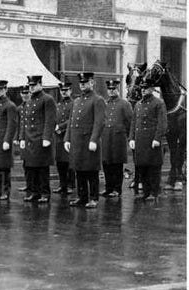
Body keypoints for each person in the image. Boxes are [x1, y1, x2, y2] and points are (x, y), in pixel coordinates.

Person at [65, 72, 105, 209]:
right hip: (77, 141)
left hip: (89, 141)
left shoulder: (97, 100)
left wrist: (94, 139)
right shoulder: (76, 101)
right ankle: (82, 197)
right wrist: (67, 139)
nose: (82, 85)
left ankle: (94, 198)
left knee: (91, 171)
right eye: (81, 83)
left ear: (92, 83)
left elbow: (99, 122)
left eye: (85, 82)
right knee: (79, 170)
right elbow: (71, 121)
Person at [19, 75, 56, 203]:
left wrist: (46, 137)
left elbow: (50, 120)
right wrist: (22, 138)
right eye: (30, 85)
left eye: (33, 85)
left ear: (40, 84)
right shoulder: (29, 101)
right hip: (30, 139)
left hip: (40, 139)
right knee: (31, 168)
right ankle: (34, 192)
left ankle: (45, 193)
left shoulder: (47, 99)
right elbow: (25, 122)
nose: (31, 88)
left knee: (42, 168)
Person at [129, 79, 167, 201]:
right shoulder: (138, 105)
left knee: (153, 168)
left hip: (152, 141)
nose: (143, 90)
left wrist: (157, 138)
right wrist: (132, 138)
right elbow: (133, 123)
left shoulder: (158, 103)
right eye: (142, 88)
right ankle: (145, 192)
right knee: (142, 167)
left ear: (151, 89)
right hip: (140, 141)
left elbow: (162, 123)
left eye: (146, 88)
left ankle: (154, 193)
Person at [101, 79, 133, 198]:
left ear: (118, 89)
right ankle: (108, 188)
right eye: (109, 89)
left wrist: (131, 138)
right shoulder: (105, 103)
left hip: (118, 139)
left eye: (113, 89)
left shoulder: (125, 104)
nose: (111, 91)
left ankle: (117, 189)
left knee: (117, 165)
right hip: (106, 138)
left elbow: (130, 122)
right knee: (106, 164)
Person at [53, 82, 75, 196]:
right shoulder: (58, 104)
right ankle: (62, 184)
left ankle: (70, 185)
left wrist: (60, 127)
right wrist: (54, 126)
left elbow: (72, 120)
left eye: (66, 90)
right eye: (62, 90)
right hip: (58, 137)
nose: (64, 92)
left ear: (70, 91)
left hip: (68, 136)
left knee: (69, 162)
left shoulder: (73, 104)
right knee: (60, 162)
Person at [14, 85, 31, 193]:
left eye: (27, 93)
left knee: (33, 163)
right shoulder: (19, 108)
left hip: (32, 138)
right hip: (23, 139)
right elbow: (18, 124)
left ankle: (34, 186)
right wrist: (17, 138)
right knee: (25, 163)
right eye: (23, 94)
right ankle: (28, 184)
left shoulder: (33, 106)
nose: (25, 96)